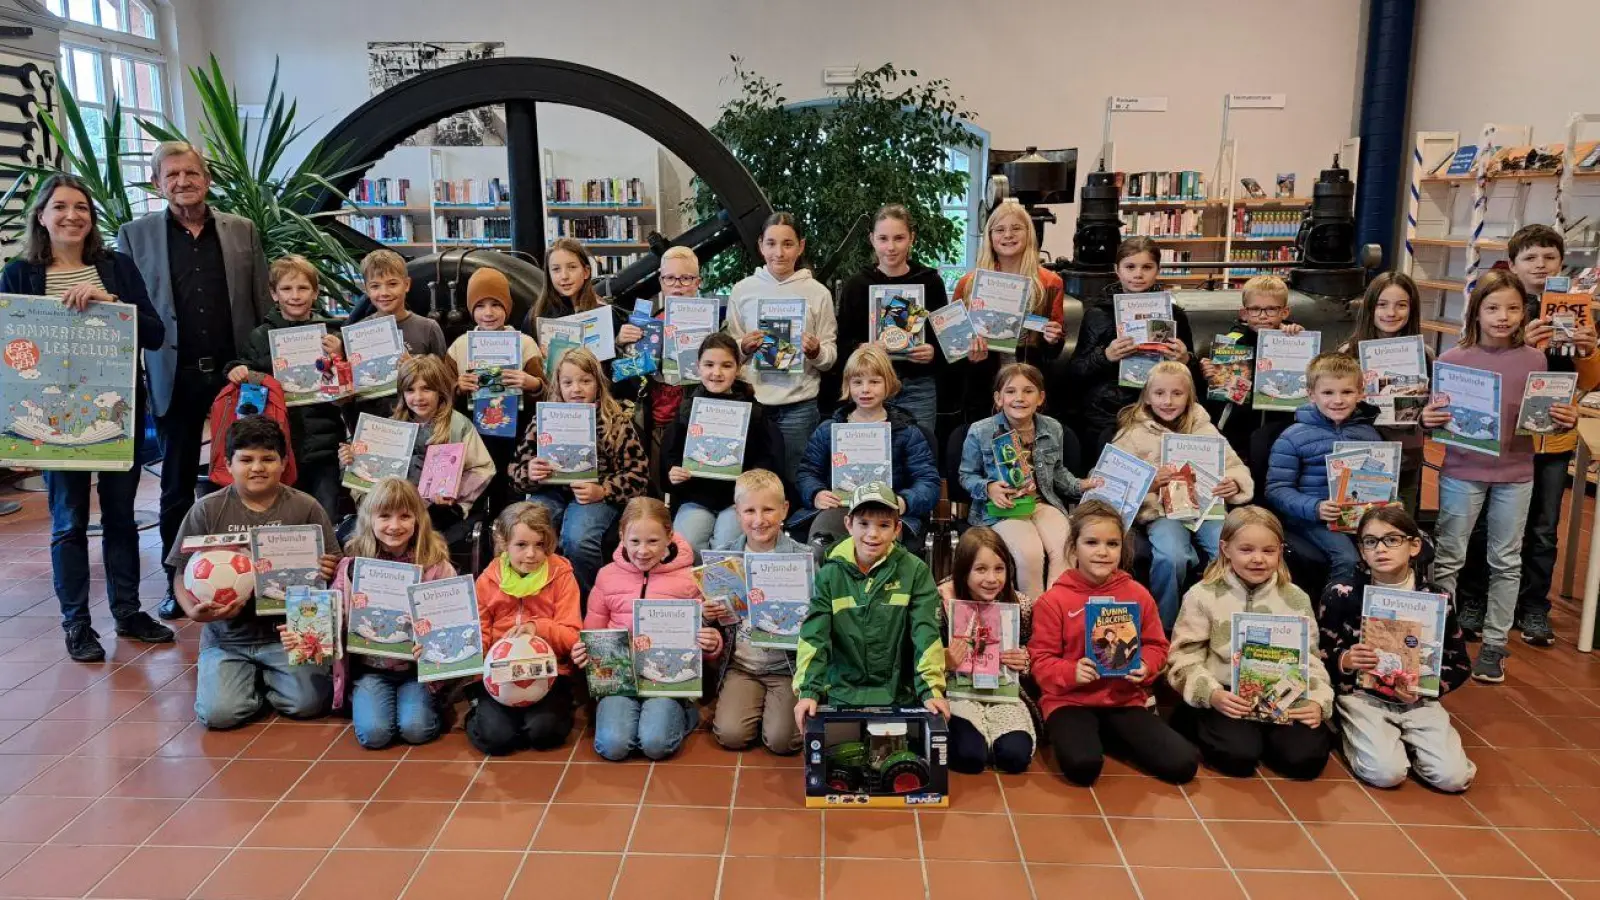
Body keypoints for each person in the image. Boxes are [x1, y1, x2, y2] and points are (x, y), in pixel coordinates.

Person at [0, 173, 174, 661]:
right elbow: (9, 347)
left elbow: (156, 334)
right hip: (48, 419)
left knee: (120, 517)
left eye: (80, 207)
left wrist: (114, 307)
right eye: (59, 207)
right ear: (41, 216)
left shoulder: (115, 268)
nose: (71, 215)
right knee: (68, 522)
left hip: (115, 413)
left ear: (91, 217)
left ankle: (127, 611)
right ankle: (76, 624)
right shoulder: (19, 275)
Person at [118, 141, 273, 622]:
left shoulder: (241, 230)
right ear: (157, 183)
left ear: (206, 178)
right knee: (176, 486)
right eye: (172, 176)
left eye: (191, 173)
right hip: (174, 374)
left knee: (254, 473)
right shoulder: (134, 235)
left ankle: (259, 579)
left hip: (237, 374)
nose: (182, 183)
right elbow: (127, 309)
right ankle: (178, 584)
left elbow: (263, 303)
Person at [1421, 269, 1574, 683]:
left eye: (1512, 308)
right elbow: (1438, 418)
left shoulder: (1535, 359)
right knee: (1450, 555)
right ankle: (1442, 639)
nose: (1502, 317)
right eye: (1492, 308)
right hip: (1460, 472)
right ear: (1476, 313)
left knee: (1506, 560)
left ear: (1524, 313)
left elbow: (1542, 419)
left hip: (1516, 473)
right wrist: (1428, 417)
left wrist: (1560, 419)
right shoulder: (1452, 361)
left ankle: (1494, 644)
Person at [1455, 225, 1600, 647]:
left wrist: (1588, 349)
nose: (1541, 265)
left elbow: (1587, 382)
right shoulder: (1505, 311)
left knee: (1542, 527)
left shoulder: (1577, 310)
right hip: (1501, 441)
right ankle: (1474, 599)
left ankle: (1533, 606)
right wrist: (1525, 342)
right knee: (1486, 524)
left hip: (1551, 437)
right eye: (1531, 258)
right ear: (1514, 264)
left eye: (1550, 258)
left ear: (1562, 263)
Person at [169, 416, 340, 729]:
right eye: (246, 459)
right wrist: (194, 611)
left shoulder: (306, 508)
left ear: (284, 462)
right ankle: (241, 679)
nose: (257, 468)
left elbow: (336, 570)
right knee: (220, 715)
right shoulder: (207, 510)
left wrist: (330, 569)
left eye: (268, 459)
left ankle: (262, 679)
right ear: (228, 463)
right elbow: (181, 572)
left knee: (310, 705)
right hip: (227, 638)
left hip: (289, 634)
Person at [1030, 502, 1198, 785]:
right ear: (1074, 546)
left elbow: (1157, 645)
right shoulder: (1054, 600)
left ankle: (1109, 734)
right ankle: (1090, 736)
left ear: (1123, 548)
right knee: (1082, 769)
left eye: (1112, 544)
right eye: (1091, 542)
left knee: (1183, 765)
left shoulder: (1137, 595)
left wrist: (1146, 665)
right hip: (1070, 701)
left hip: (1124, 700)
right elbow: (1040, 660)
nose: (1102, 552)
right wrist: (1071, 672)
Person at [1167, 506, 1334, 779]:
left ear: (1280, 550)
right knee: (1238, 757)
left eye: (1268, 551)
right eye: (1246, 550)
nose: (1258, 559)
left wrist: (1317, 702)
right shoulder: (1202, 595)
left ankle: (1265, 738)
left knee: (1305, 760)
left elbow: (1311, 660)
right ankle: (1199, 722)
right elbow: (1182, 658)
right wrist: (1211, 694)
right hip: (1226, 696)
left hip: (1283, 697)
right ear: (1225, 548)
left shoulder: (1295, 598)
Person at [1318, 506, 1474, 791]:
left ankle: (1413, 745)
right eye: (1370, 541)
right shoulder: (1342, 593)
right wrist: (1346, 660)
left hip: (1417, 700)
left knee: (1454, 778)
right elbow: (1319, 654)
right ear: (1361, 550)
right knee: (1386, 774)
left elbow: (1460, 664)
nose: (1381, 549)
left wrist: (1427, 687)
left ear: (1414, 546)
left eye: (1392, 539)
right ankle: (1356, 735)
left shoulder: (1436, 598)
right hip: (1361, 696)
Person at [1109, 361, 1253, 630]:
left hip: (1207, 510)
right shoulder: (1132, 433)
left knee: (1232, 552)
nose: (1168, 401)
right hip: (1163, 513)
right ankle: (1165, 626)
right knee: (1171, 556)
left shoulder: (1204, 428)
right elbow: (1111, 480)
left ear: (1189, 397)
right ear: (1148, 398)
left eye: (1177, 393)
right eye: (1160, 393)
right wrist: (1150, 482)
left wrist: (1234, 483)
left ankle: (1226, 623)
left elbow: (1235, 467)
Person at [792, 483, 948, 731]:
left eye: (884, 525)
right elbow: (814, 635)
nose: (872, 534)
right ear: (848, 524)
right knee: (838, 762)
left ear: (897, 529)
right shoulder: (829, 574)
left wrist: (931, 691)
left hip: (899, 693)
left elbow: (926, 635)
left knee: (900, 762)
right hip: (842, 692)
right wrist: (809, 692)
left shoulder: (915, 571)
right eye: (863, 523)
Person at [576, 497, 720, 761]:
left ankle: (684, 712)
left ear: (669, 537)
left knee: (656, 744)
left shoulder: (690, 580)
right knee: (613, 746)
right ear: (621, 536)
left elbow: (705, 639)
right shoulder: (607, 576)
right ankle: (630, 715)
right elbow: (593, 633)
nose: (643, 550)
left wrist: (712, 643)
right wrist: (583, 651)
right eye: (634, 541)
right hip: (620, 681)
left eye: (653, 541)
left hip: (668, 683)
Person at [324, 478, 455, 750]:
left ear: (418, 520)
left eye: (405, 516)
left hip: (418, 671)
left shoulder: (436, 566)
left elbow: (453, 625)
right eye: (384, 516)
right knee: (375, 734)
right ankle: (367, 698)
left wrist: (432, 643)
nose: (394, 526)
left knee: (416, 729)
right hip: (371, 670)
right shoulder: (351, 566)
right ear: (369, 519)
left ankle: (431, 703)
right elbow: (332, 616)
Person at [513, 347, 648, 599]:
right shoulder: (544, 419)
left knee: (578, 539)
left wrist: (604, 490)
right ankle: (533, 599)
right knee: (526, 529)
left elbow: (638, 474)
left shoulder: (615, 421)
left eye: (585, 381)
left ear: (598, 384)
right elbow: (515, 471)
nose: (576, 389)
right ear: (558, 385)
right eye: (568, 382)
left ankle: (588, 602)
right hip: (550, 491)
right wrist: (530, 472)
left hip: (595, 495)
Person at [227, 255, 349, 520]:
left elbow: (349, 384)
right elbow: (244, 366)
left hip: (324, 441)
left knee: (325, 515)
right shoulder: (260, 335)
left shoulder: (331, 334)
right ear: (274, 293)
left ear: (315, 293)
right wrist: (236, 370)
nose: (295, 296)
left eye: (303, 288)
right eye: (286, 288)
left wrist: (339, 354)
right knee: (282, 514)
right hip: (279, 442)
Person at [958, 363, 1094, 596]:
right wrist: (989, 488)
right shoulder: (980, 431)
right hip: (1003, 509)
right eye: (1010, 391)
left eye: (1028, 391)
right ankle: (1036, 616)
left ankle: (1056, 612)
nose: (1019, 398)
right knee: (1030, 553)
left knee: (1067, 547)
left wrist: (1079, 485)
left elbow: (1058, 472)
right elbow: (966, 475)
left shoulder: (1053, 428)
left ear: (1040, 398)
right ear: (998, 398)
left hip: (1042, 503)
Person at [724, 212, 838, 482]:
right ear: (760, 245)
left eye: (788, 244)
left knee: (797, 480)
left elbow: (831, 357)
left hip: (799, 407)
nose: (779, 252)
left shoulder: (818, 293)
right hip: (754, 403)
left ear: (801, 246)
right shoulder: (743, 290)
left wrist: (816, 351)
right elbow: (728, 352)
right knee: (753, 482)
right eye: (772, 243)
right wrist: (744, 347)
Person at [795, 345, 940, 556]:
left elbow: (928, 482)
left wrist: (903, 501)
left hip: (887, 512)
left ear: (888, 384)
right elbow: (807, 472)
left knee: (878, 552)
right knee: (821, 547)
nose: (865, 389)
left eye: (874, 382)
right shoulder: (829, 429)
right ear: (847, 385)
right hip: (840, 508)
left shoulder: (907, 432)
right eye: (857, 382)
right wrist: (816, 493)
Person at [1066, 235, 1199, 462]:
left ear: (1157, 270)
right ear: (1117, 270)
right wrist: (1105, 356)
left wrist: (1185, 359)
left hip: (1161, 407)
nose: (1138, 274)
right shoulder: (1097, 314)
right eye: (1130, 267)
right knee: (1110, 441)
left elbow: (1193, 379)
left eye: (1147, 267)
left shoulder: (1174, 315)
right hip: (1109, 411)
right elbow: (1075, 372)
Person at [469, 501, 582, 755]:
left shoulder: (562, 576)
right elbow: (480, 633)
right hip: (498, 677)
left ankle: (548, 712)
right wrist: (478, 657)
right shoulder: (488, 581)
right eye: (521, 545)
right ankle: (482, 712)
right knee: (496, 740)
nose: (531, 554)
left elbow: (572, 636)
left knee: (545, 733)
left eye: (539, 545)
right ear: (504, 544)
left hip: (549, 674)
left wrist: (538, 627)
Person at [341, 355, 495, 537]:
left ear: (440, 391)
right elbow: (367, 478)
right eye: (410, 390)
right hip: (391, 512)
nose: (418, 397)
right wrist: (352, 462)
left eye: (426, 389)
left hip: (439, 513)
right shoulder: (387, 428)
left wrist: (455, 494)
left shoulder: (458, 425)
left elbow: (483, 468)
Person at [709, 469, 806, 755]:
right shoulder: (724, 561)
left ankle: (778, 709)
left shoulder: (803, 558)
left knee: (782, 741)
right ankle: (754, 703)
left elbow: (821, 617)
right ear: (737, 513)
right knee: (731, 735)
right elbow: (711, 622)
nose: (759, 520)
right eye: (749, 510)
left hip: (787, 667)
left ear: (785, 510)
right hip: (743, 666)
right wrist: (707, 613)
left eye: (768, 509)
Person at [1265, 352, 1383, 584]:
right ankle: (1334, 614)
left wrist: (1390, 502)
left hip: (1360, 517)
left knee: (1394, 548)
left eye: (1347, 392)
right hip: (1310, 519)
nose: (1338, 400)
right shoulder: (1292, 437)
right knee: (1348, 559)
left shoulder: (1370, 435)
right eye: (1328, 392)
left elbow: (1381, 480)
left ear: (1360, 393)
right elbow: (1276, 489)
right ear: (1311, 395)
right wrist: (1315, 508)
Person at [660, 333, 784, 551]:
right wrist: (673, 472)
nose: (716, 373)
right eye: (709, 365)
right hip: (695, 497)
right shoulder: (687, 409)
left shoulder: (753, 413)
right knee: (685, 545)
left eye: (726, 366)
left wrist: (752, 478)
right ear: (698, 367)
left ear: (737, 369)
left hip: (737, 501)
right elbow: (669, 455)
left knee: (726, 547)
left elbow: (769, 458)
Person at [950, 201, 1066, 424]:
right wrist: (970, 354)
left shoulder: (1049, 283)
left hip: (1029, 387)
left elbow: (1053, 352)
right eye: (1000, 230)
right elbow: (954, 347)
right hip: (983, 386)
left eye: (1016, 228)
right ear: (990, 237)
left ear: (1028, 233)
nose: (1008, 235)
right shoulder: (969, 284)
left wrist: (1052, 339)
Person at [835, 204, 950, 426]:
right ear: (872, 239)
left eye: (899, 238)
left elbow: (946, 341)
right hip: (870, 385)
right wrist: (866, 349)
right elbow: (842, 343)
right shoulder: (857, 285)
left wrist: (933, 351)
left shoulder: (930, 282)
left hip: (918, 386)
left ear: (911, 238)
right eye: (883, 239)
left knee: (919, 450)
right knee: (873, 452)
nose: (891, 247)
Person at [939, 527, 1037, 775]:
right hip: (959, 692)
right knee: (969, 757)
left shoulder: (1020, 604)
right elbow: (924, 653)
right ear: (963, 571)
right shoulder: (941, 605)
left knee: (1014, 757)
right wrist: (944, 658)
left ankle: (996, 734)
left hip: (1004, 693)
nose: (992, 579)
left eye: (999, 568)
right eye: (980, 569)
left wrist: (1024, 658)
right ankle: (977, 737)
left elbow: (1036, 649)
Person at [446, 266, 545, 511]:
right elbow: (441, 395)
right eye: (480, 306)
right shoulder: (459, 346)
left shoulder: (524, 344)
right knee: (478, 495)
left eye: (496, 305)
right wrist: (457, 386)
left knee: (509, 497)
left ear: (507, 308)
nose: (488, 313)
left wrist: (531, 383)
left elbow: (547, 393)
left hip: (516, 435)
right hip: (474, 437)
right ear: (471, 310)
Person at [1337, 272, 1428, 514]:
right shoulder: (1349, 353)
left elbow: (1433, 414)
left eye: (1401, 305)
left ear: (1412, 309)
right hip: (1360, 453)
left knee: (1400, 522)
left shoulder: (1424, 355)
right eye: (1382, 304)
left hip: (1407, 455)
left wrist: (1427, 405)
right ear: (1369, 308)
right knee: (1357, 519)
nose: (1391, 313)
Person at [1199, 274, 1304, 464]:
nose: (1263, 315)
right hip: (1238, 432)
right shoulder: (1230, 344)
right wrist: (1209, 374)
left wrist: (1300, 340)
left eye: (1271, 309)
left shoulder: (1296, 339)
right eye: (1255, 309)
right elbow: (1216, 395)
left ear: (1285, 312)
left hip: (1282, 428)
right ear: (1244, 313)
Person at [348, 249, 447, 423]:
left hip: (419, 424)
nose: (384, 293)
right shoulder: (356, 333)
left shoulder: (428, 328)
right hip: (373, 424)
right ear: (366, 290)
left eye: (392, 284)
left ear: (407, 284)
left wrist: (414, 368)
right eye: (375, 286)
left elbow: (443, 383)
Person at [524, 238, 633, 397]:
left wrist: (617, 344)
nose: (564, 276)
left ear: (586, 271)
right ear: (548, 274)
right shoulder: (536, 316)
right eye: (556, 269)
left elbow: (618, 374)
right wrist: (540, 360)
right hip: (557, 406)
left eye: (572, 267)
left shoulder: (606, 314)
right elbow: (531, 376)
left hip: (601, 405)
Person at [643, 247, 702, 493]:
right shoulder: (649, 324)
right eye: (670, 278)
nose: (677, 285)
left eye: (686, 279)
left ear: (697, 282)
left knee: (692, 491)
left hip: (696, 422)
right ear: (661, 282)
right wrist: (623, 342)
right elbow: (634, 371)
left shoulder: (714, 323)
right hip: (659, 420)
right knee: (659, 490)